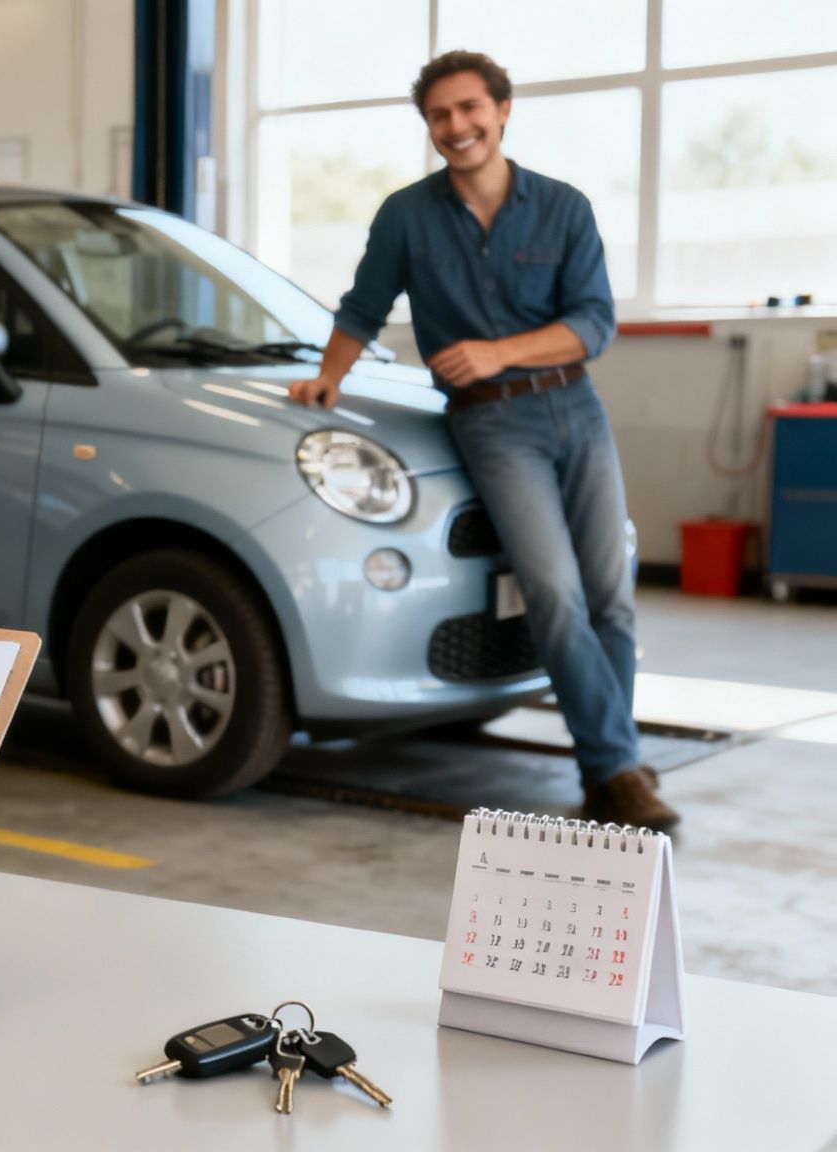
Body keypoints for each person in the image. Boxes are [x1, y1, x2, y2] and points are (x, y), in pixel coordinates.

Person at [287, 50, 677, 832]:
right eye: (440, 115)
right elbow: (362, 307)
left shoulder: (563, 208)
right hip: (492, 424)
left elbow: (594, 324)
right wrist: (326, 379)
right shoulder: (407, 215)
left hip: (576, 409)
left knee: (611, 599)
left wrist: (501, 350)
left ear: (502, 111)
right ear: (429, 127)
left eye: (469, 109)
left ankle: (615, 762)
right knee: (556, 594)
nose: (456, 127)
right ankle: (616, 768)